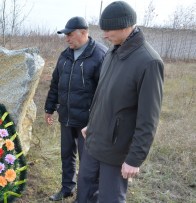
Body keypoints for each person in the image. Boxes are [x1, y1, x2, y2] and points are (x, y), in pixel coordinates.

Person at [77, 1, 164, 202]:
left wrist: (134, 159)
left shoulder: (149, 62)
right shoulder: (112, 51)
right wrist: (92, 125)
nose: (104, 35)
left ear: (125, 27)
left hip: (116, 151)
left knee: (110, 198)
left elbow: (148, 118)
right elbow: (103, 96)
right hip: (94, 142)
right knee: (85, 192)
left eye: (108, 30)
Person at [44, 16, 107, 201]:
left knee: (88, 163)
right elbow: (56, 83)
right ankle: (67, 188)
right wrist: (50, 108)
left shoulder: (100, 55)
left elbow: (105, 92)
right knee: (66, 156)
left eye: (70, 35)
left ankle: (86, 197)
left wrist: (97, 120)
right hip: (66, 117)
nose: (67, 39)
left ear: (84, 33)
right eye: (65, 35)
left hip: (88, 122)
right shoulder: (65, 55)